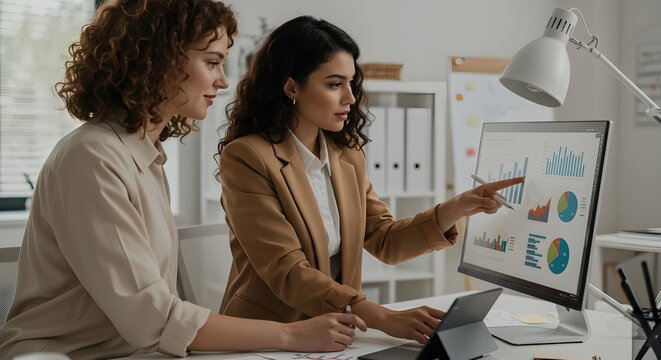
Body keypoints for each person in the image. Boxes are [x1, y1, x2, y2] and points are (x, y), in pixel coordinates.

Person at [0, 3, 365, 359]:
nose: (223, 80)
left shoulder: (145, 155)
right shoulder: (92, 157)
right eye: (211, 62)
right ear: (159, 60)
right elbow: (153, 317)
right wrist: (290, 334)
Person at [216, 15, 524, 345]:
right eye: (334, 84)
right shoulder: (247, 157)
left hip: (337, 336)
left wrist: (458, 207)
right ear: (292, 86)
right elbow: (287, 270)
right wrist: (383, 318)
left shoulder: (346, 156)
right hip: (268, 338)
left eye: (351, 83)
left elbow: (383, 238)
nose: (350, 97)